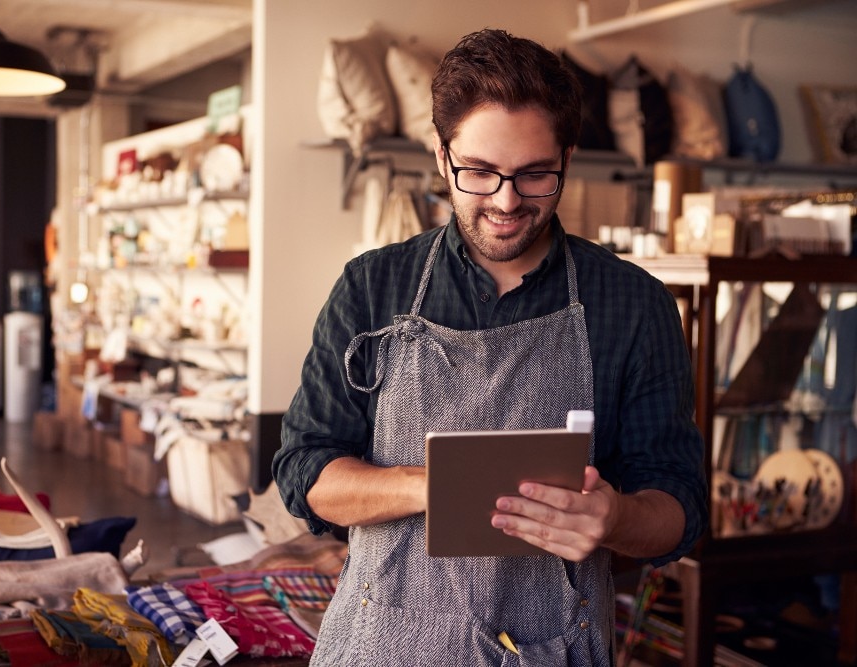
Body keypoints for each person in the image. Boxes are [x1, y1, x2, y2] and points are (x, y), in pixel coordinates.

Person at [273, 28, 707, 666]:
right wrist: (436, 486)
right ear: (442, 157)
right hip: (382, 647)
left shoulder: (633, 304)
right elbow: (303, 471)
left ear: (567, 156)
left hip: (555, 650)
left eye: (536, 175)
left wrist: (613, 519)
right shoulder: (371, 288)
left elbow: (681, 507)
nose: (506, 201)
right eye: (479, 172)